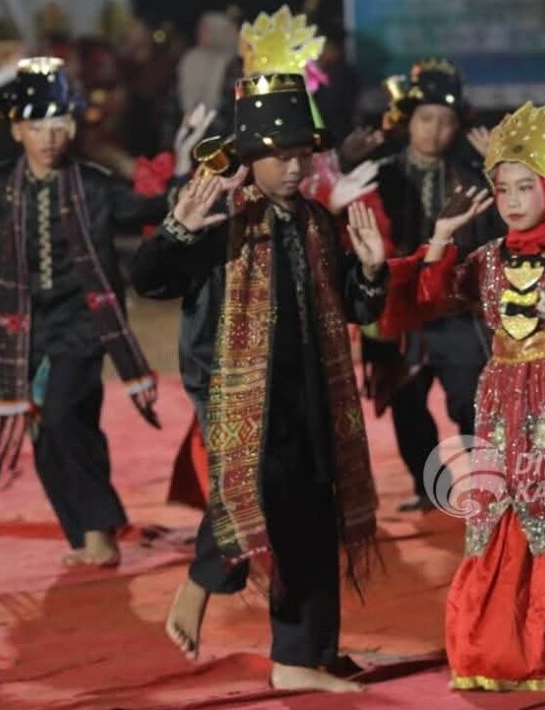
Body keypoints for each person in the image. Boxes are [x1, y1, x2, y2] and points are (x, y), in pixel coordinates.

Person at [132, 70, 389, 694]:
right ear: (250, 157)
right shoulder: (223, 219)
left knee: (313, 513)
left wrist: (371, 272)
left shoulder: (316, 221)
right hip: (242, 392)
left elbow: (354, 307)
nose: (295, 167)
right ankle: (201, 584)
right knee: (257, 490)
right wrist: (178, 230)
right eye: (280, 156)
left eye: (302, 154)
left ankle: (306, 654)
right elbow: (152, 280)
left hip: (313, 393)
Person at [391, 95, 545, 690]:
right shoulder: (488, 258)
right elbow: (431, 298)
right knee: (499, 512)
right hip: (501, 401)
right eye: (504, 189)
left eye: (525, 187)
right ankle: (503, 647)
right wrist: (441, 237)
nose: (512, 202)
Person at [0, 57, 181, 567]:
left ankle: (100, 528)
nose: (49, 138)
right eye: (37, 127)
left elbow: (153, 206)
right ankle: (82, 534)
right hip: (22, 330)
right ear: (17, 129)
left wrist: (197, 183)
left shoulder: (93, 186)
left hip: (85, 323)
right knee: (50, 429)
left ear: (73, 128)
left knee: (61, 416)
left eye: (59, 125)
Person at [342, 59, 501, 512]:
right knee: (406, 403)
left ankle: (489, 488)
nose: (435, 130)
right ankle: (430, 488)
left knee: (470, 400)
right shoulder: (379, 176)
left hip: (454, 311)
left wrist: (498, 168)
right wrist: (344, 162)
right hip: (398, 310)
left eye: (446, 121)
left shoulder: (473, 178)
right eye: (426, 119)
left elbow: (497, 237)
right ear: (407, 122)